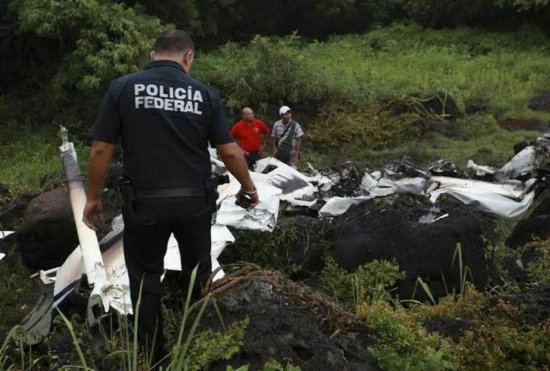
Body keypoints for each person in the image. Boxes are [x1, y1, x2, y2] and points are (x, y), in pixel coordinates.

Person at [82, 29, 259, 362]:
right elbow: (230, 151)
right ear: (188, 57)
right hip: (195, 204)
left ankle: (153, 358)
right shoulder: (205, 94)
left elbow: (102, 147)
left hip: (144, 204)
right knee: (198, 275)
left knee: (146, 278)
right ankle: (202, 350)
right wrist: (249, 188)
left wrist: (92, 197)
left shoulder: (123, 88)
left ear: (152, 56)